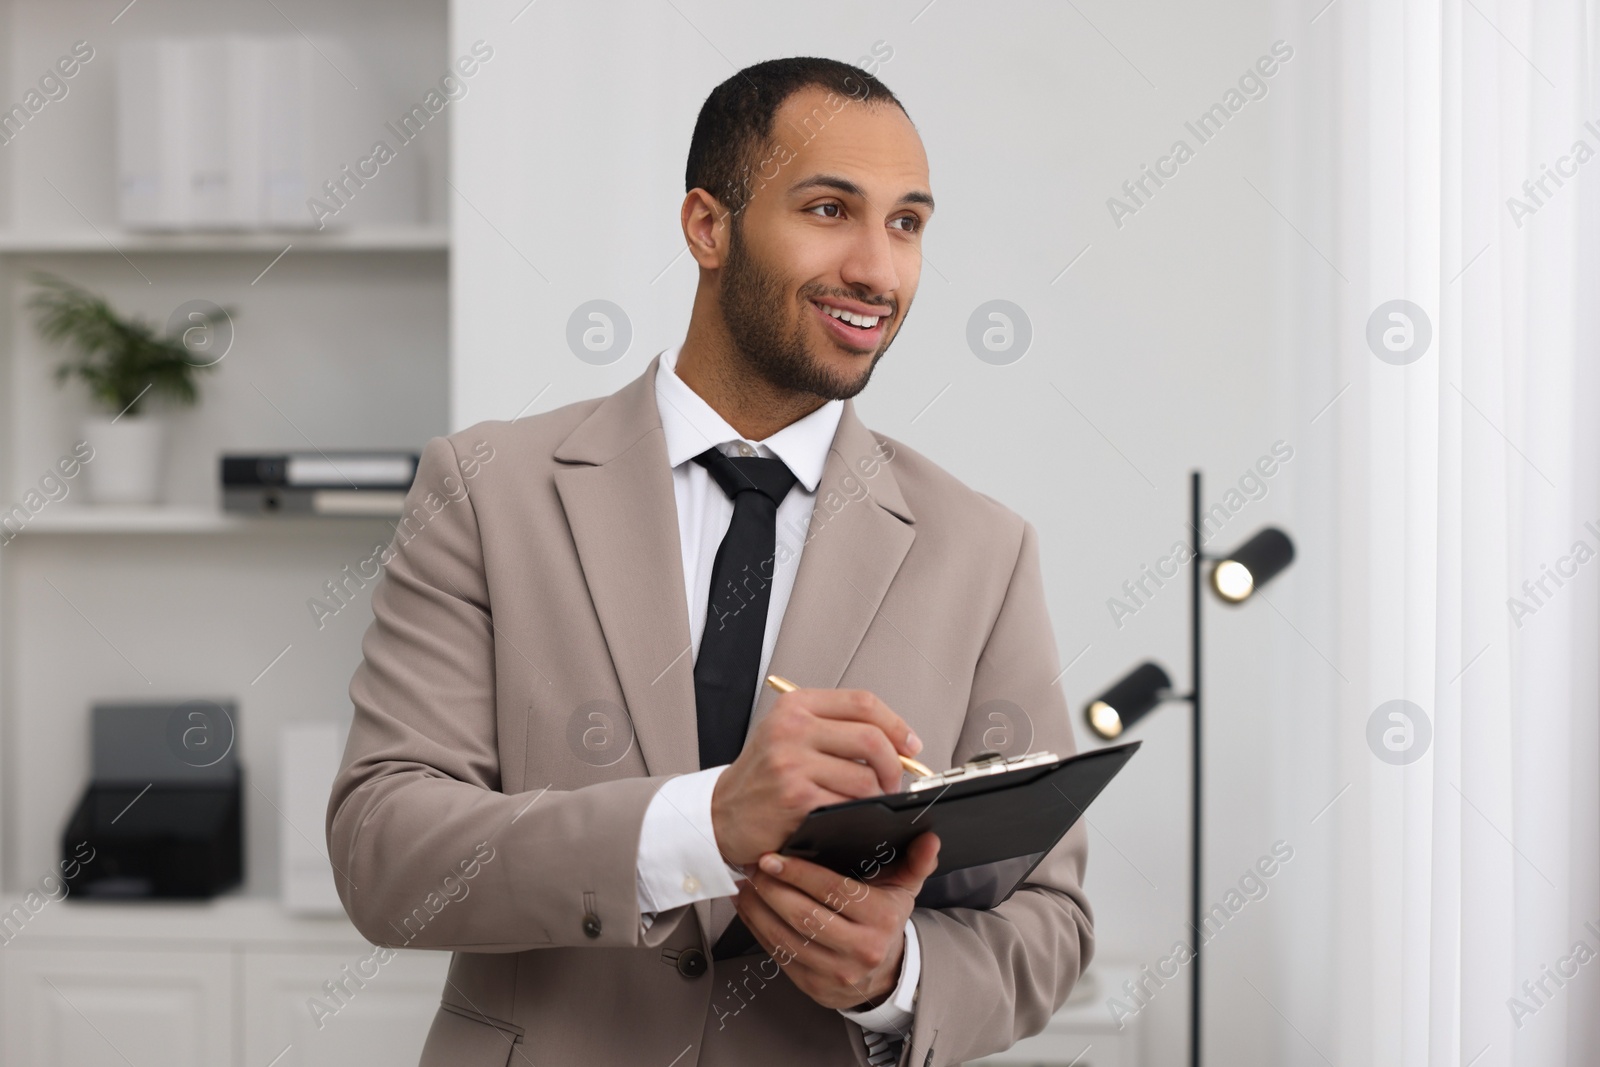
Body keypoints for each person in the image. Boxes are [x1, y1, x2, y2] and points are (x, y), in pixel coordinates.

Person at [327, 56, 1091, 1067]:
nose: (877, 267)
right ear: (707, 226)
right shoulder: (486, 489)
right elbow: (385, 848)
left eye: (907, 223)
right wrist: (700, 822)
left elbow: (1052, 919)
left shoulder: (982, 548)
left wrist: (892, 975)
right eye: (829, 208)